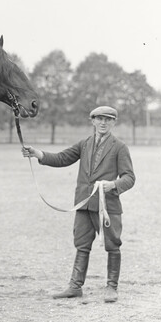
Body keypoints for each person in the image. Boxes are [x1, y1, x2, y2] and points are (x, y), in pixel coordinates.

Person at [22, 106, 135, 303]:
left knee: (112, 245)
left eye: (108, 119)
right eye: (99, 119)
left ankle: (111, 287)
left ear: (114, 123)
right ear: (92, 121)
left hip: (107, 207)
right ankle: (75, 286)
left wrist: (113, 185)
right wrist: (37, 153)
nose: (103, 123)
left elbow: (129, 177)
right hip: (83, 204)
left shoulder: (119, 147)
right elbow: (62, 158)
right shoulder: (85, 144)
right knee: (82, 245)